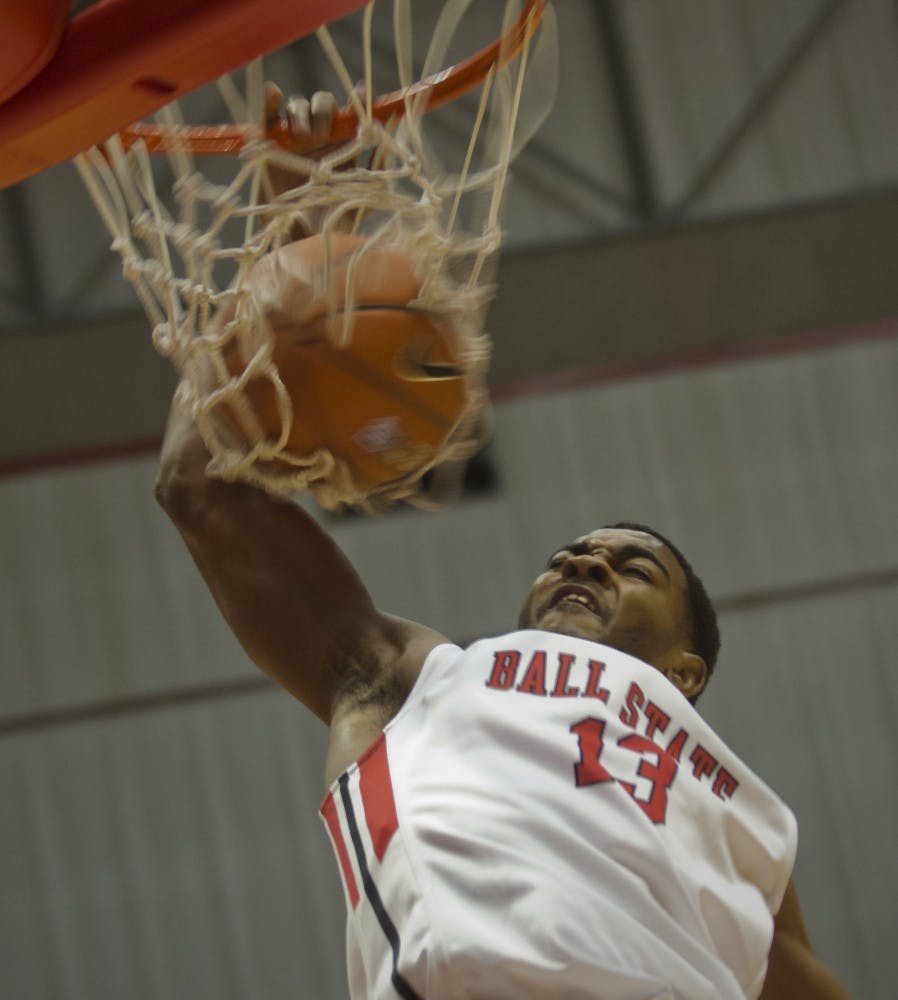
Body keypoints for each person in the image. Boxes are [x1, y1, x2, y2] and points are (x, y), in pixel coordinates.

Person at [154, 93, 852, 1000]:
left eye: (633, 565)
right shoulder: (412, 680)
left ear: (685, 674)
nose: (582, 561)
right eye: (570, 552)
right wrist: (293, 221)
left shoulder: (742, 813)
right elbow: (200, 489)